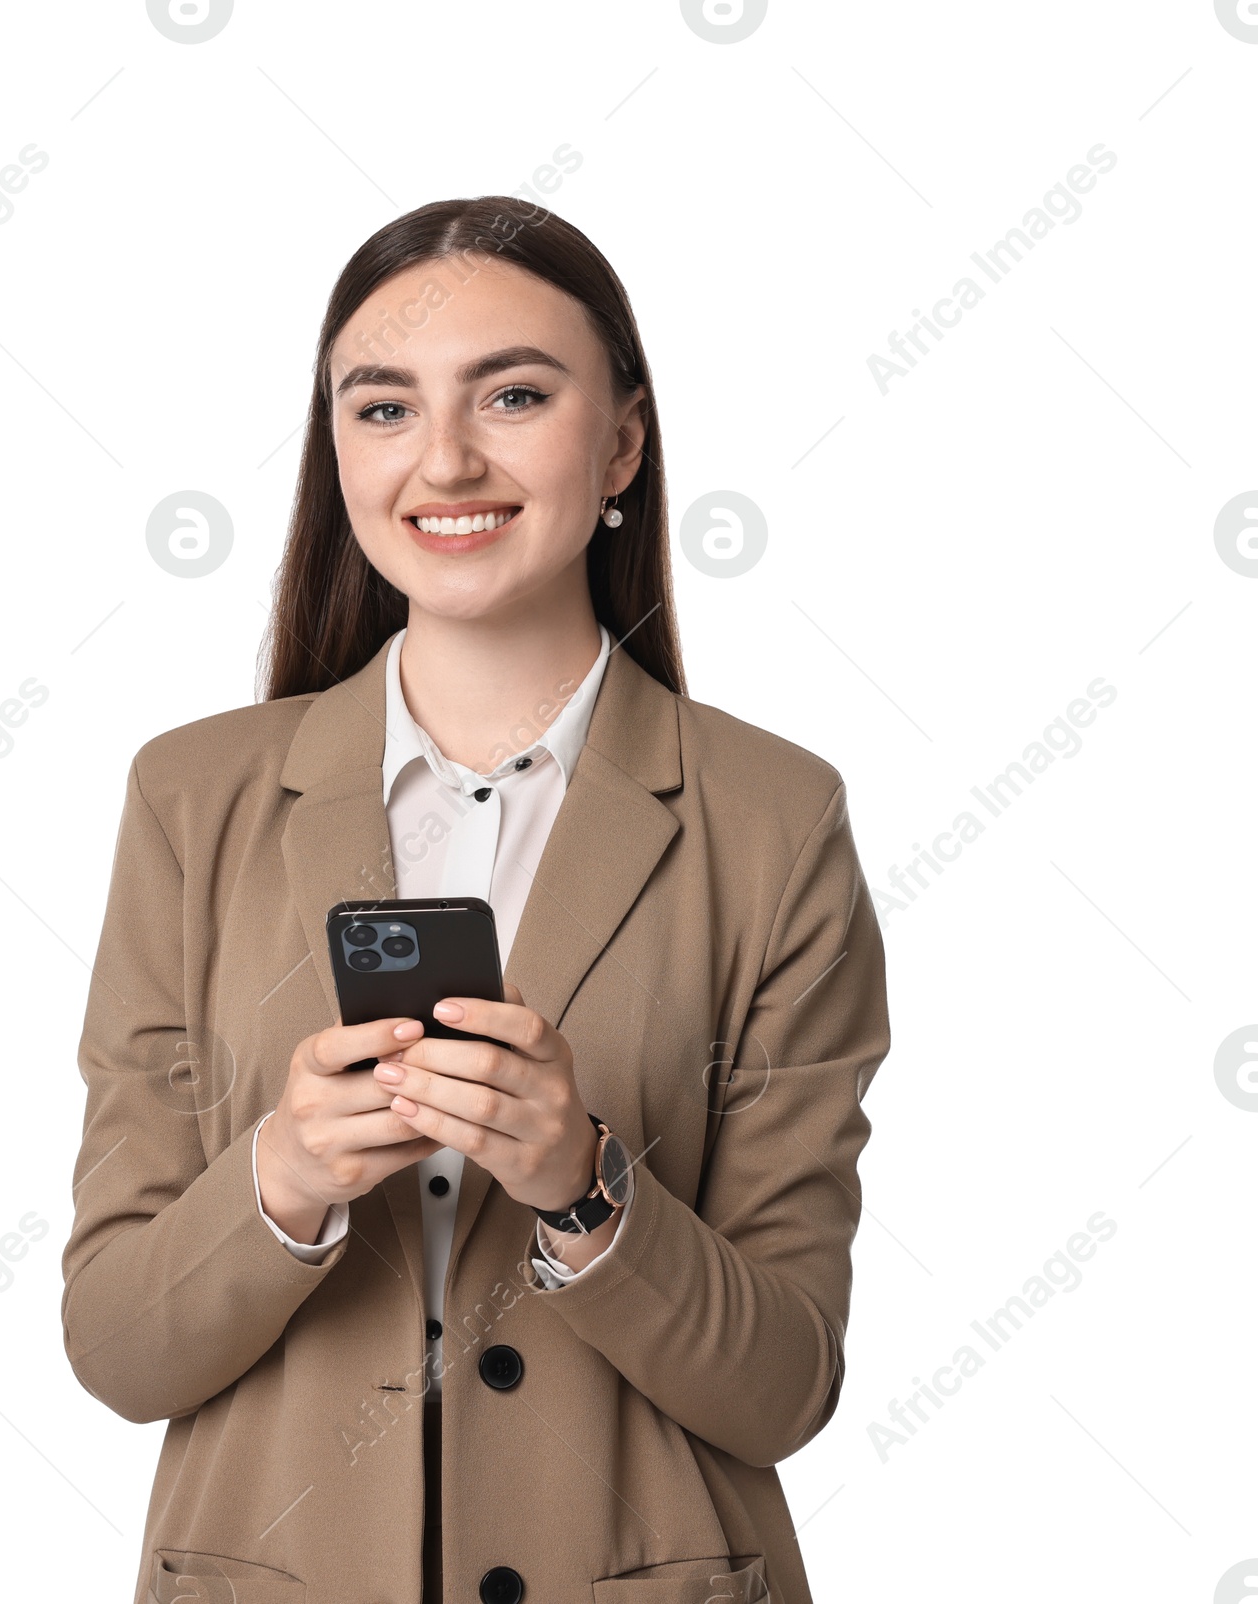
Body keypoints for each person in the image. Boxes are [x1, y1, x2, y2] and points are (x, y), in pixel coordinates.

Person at [61, 195, 891, 1604]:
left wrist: (586, 1189)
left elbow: (785, 1388)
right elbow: (118, 1351)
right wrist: (286, 1179)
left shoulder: (772, 818)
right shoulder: (191, 801)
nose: (443, 459)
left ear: (622, 438)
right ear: (336, 454)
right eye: (382, 408)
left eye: (513, 395)